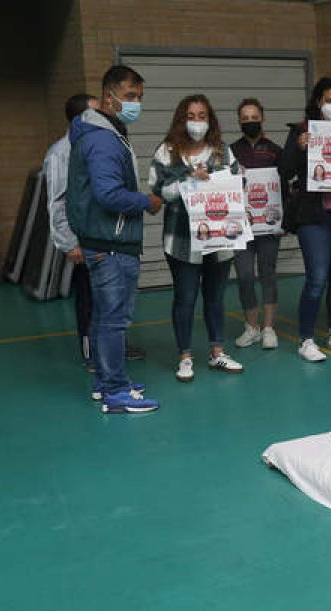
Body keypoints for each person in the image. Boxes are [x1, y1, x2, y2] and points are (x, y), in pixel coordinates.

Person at [67, 65, 163, 413]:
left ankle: (107, 381)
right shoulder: (103, 139)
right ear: (109, 97)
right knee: (114, 319)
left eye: (140, 97)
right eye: (130, 97)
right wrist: (147, 202)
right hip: (110, 243)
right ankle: (115, 393)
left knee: (103, 316)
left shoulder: (101, 133)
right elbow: (108, 193)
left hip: (105, 240)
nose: (136, 103)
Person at [149, 94, 245, 382]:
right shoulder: (167, 152)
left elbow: (238, 183)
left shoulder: (222, 152)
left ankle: (217, 353)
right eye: (191, 116)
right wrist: (187, 181)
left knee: (215, 298)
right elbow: (157, 192)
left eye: (202, 116)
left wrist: (236, 180)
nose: (197, 121)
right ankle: (186, 356)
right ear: (181, 119)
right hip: (181, 241)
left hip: (219, 240)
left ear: (210, 120)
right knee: (185, 298)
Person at [278, 76, 331, 362]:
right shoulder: (301, 130)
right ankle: (306, 338)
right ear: (318, 102)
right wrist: (298, 147)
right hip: (314, 215)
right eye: (328, 100)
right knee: (317, 278)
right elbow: (284, 170)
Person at [231, 97, 285, 350]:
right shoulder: (230, 152)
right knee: (243, 275)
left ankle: (269, 328)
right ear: (239, 121)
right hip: (241, 227)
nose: (250, 122)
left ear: (262, 118)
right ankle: (251, 326)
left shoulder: (275, 150)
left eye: (254, 117)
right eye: (245, 118)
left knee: (268, 275)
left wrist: (284, 219)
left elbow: (286, 186)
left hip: (269, 226)